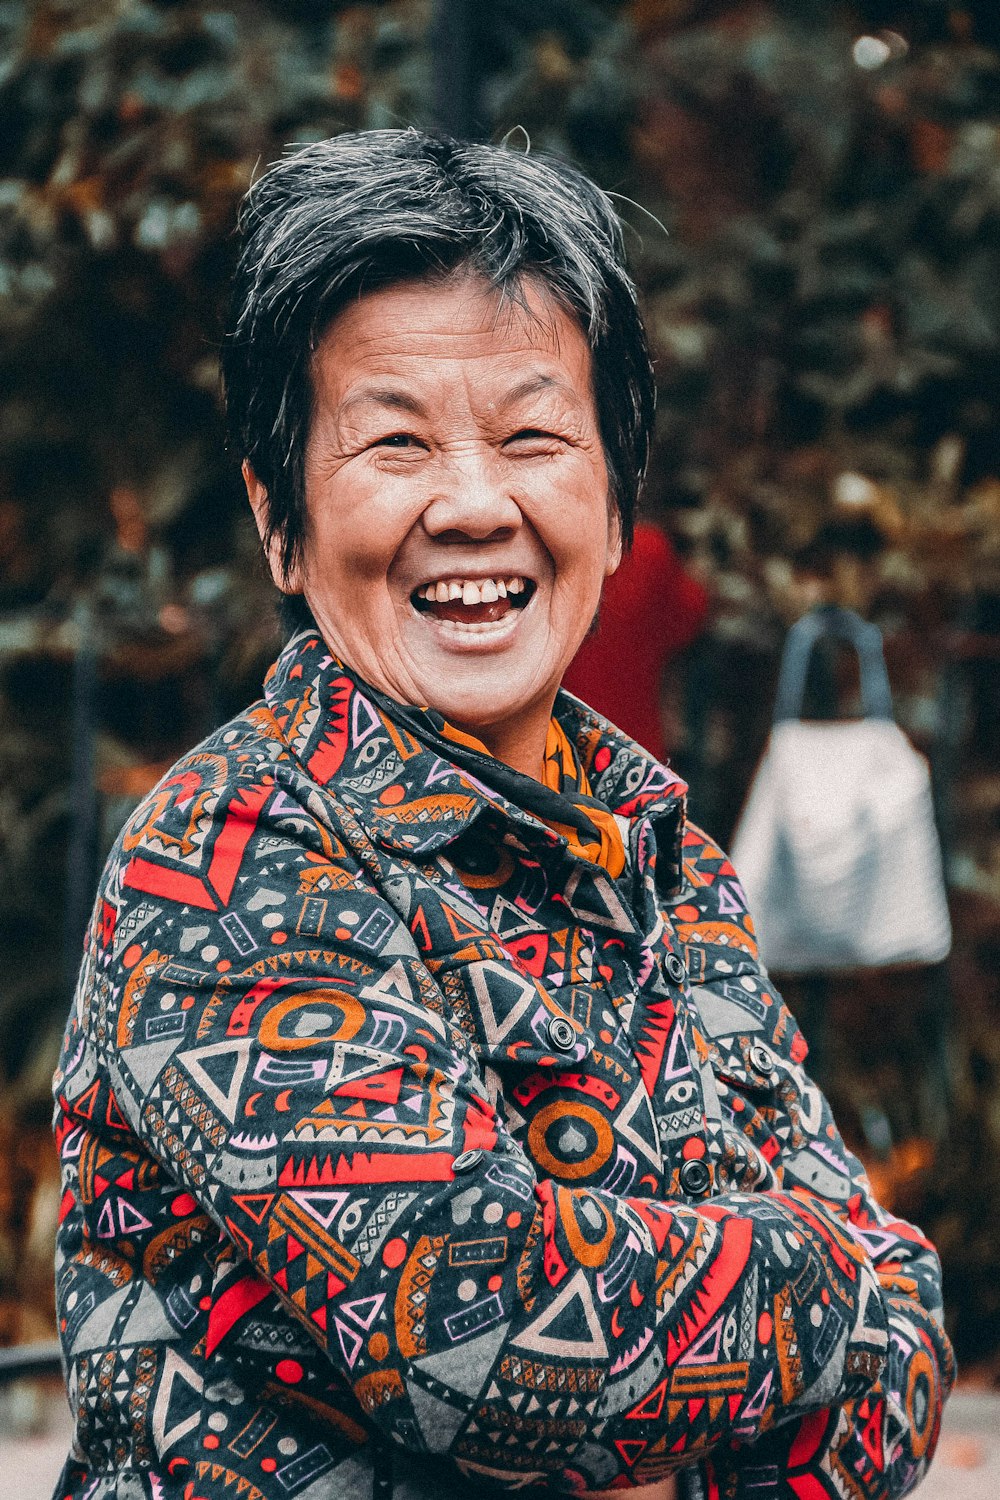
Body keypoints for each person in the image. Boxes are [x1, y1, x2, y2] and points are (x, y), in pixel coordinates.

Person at [53, 130, 953, 1500]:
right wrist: (843, 1277)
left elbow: (912, 1353)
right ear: (279, 522)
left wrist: (691, 1428)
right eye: (394, 443)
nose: (474, 505)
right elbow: (485, 1348)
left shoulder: (662, 857)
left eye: (534, 436)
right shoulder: (227, 859)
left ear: (612, 504)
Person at [562, 520, 709, 763]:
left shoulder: (558, 541)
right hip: (632, 731)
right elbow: (687, 620)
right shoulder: (650, 549)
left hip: (561, 728)